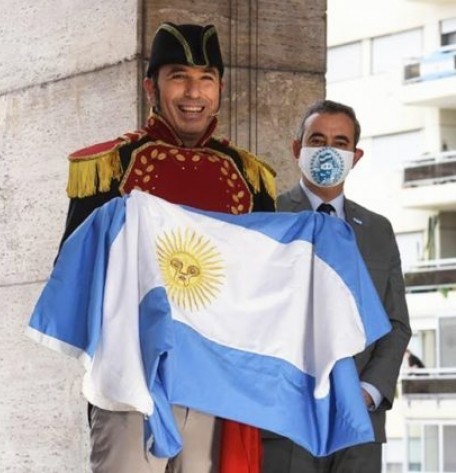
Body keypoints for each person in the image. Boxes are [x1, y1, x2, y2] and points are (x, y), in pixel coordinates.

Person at [60, 22, 276, 473]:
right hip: (131, 382)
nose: (192, 92)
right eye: (178, 75)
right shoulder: (109, 167)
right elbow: (72, 275)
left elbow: (267, 286)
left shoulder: (251, 177)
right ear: (151, 87)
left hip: (215, 385)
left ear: (220, 89)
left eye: (206, 79)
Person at [262, 99, 411, 473]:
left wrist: (367, 393)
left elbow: (396, 325)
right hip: (285, 424)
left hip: (358, 427)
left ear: (355, 156)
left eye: (340, 142)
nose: (329, 150)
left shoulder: (379, 231)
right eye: (318, 139)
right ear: (298, 149)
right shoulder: (266, 217)